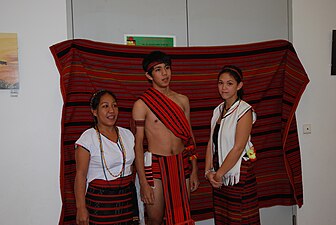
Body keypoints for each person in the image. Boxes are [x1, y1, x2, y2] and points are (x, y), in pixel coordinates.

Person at [132, 51, 199, 225]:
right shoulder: (142, 104)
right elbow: (138, 145)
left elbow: (189, 138)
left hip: (181, 162)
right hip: (155, 164)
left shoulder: (182, 100)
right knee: (154, 218)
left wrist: (194, 170)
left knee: (183, 214)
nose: (165, 74)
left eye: (167, 68)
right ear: (148, 75)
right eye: (158, 70)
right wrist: (144, 182)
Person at [204, 65, 260, 225]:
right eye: (220, 83)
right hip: (218, 173)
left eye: (229, 83)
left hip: (238, 173)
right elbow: (210, 143)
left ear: (239, 86)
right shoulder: (217, 110)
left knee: (241, 218)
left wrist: (219, 174)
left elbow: (238, 147)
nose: (224, 87)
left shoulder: (245, 111)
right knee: (224, 218)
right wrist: (209, 172)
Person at [74, 89, 139, 225]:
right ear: (94, 111)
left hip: (127, 201)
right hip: (100, 204)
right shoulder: (87, 139)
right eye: (105, 106)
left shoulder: (127, 134)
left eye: (114, 105)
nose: (112, 111)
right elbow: (80, 176)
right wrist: (81, 208)